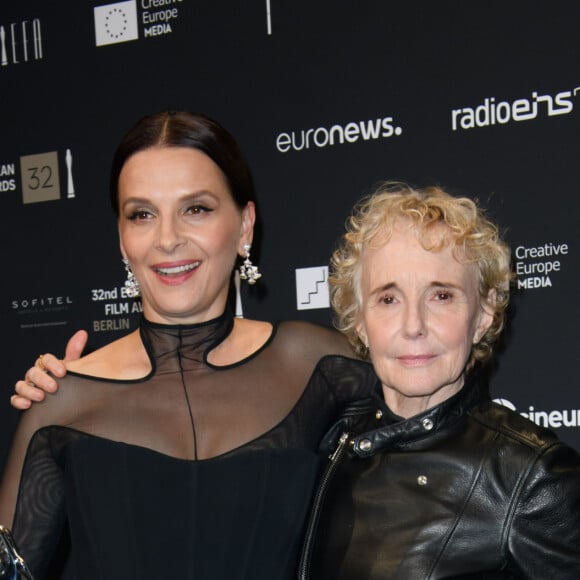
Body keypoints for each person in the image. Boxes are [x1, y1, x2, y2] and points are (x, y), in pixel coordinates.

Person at [0, 110, 376, 579]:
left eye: (195, 208)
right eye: (142, 214)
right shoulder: (60, 404)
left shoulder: (318, 366)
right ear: (122, 239)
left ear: (244, 226)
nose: (168, 239)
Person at [298, 183, 580, 578]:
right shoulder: (328, 442)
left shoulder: (529, 476)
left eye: (441, 296)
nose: (413, 326)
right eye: (388, 299)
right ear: (360, 321)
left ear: (483, 314)